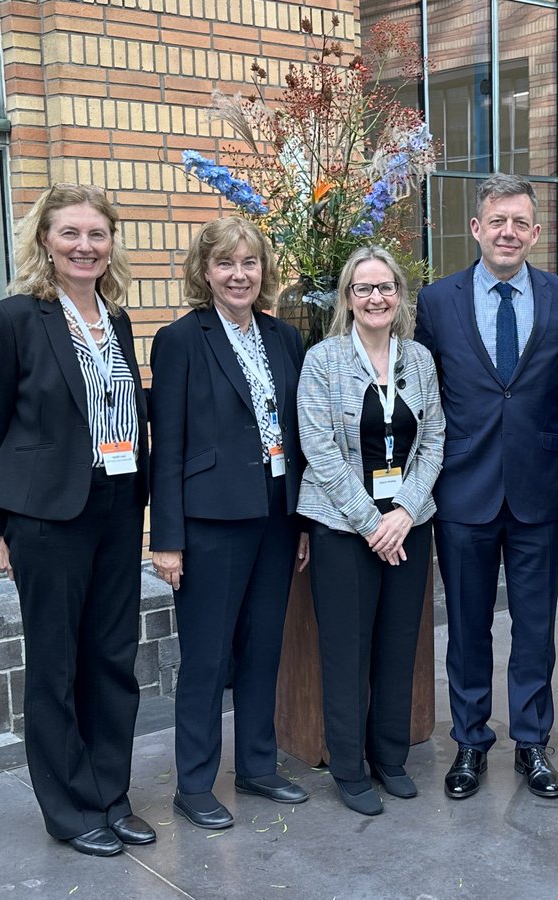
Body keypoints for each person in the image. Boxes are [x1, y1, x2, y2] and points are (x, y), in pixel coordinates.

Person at [0, 184, 153, 856]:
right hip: (46, 515)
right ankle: (70, 810)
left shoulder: (119, 319)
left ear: (111, 245)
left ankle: (110, 795)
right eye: (70, 233)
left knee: (112, 658)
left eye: (97, 235)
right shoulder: (15, 318)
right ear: (45, 240)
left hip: (115, 505)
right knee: (55, 664)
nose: (85, 246)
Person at [415, 173, 558, 799]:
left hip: (540, 491)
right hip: (463, 490)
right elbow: (423, 395)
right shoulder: (435, 302)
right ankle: (469, 743)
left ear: (536, 232)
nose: (508, 232)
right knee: (465, 626)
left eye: (520, 222)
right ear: (476, 228)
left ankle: (533, 743)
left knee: (535, 624)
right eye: (497, 221)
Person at [149, 216, 310, 830]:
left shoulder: (283, 338)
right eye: (226, 264)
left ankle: (258, 767)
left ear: (263, 270)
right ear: (205, 272)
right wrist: (166, 538)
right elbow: (165, 446)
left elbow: (293, 434)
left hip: (275, 513)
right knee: (207, 658)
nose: (239, 274)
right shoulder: (182, 339)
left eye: (249, 263)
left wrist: (299, 524)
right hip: (210, 520)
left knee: (263, 646)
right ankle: (193, 785)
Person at [296, 246, 445, 816]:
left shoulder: (421, 361)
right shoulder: (323, 360)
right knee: (346, 650)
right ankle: (349, 767)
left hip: (409, 525)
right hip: (342, 529)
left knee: (397, 645)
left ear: (400, 296)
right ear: (347, 299)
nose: (376, 298)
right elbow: (320, 449)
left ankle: (389, 757)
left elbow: (434, 440)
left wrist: (404, 512)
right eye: (363, 289)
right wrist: (371, 522)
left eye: (385, 288)